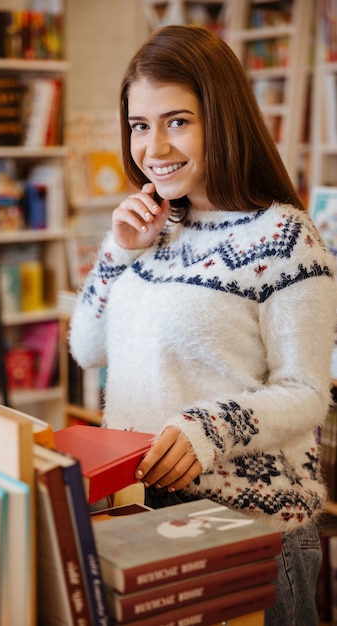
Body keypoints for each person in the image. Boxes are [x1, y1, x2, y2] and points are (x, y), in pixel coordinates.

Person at [69, 24, 337, 625]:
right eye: (141, 125)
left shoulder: (285, 237)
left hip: (250, 533)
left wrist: (206, 429)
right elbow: (86, 346)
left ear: (223, 116)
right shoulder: (152, 228)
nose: (154, 149)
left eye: (178, 121)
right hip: (141, 514)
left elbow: (306, 392)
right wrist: (118, 249)